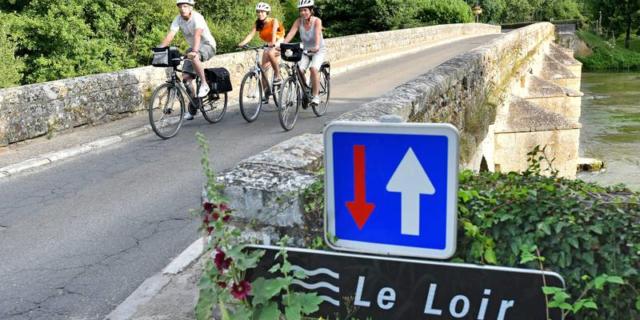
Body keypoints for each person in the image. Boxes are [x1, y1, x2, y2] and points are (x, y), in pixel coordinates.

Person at [160, 0, 217, 119]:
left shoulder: (197, 18)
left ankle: (205, 84)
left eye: (185, 6)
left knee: (194, 56)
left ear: (191, 8)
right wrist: (159, 49)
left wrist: (194, 52)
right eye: (180, 6)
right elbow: (170, 35)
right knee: (186, 79)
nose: (182, 9)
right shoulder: (178, 19)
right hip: (192, 48)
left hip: (207, 45)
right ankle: (193, 108)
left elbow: (197, 35)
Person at [237, 2, 285, 104]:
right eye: (258, 12)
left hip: (278, 41)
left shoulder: (273, 21)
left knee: (271, 53)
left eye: (262, 12)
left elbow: (273, 33)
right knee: (263, 69)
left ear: (267, 12)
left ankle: (277, 75)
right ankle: (266, 93)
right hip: (269, 43)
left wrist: (272, 43)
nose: (260, 14)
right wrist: (241, 43)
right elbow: (251, 35)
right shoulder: (258, 23)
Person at [282, 0, 326, 106]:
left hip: (318, 50)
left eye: (305, 10)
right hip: (306, 50)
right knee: (299, 69)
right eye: (301, 11)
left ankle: (315, 96)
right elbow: (291, 34)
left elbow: (316, 37)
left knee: (313, 69)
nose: (303, 13)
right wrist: (282, 44)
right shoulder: (298, 21)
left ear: (311, 10)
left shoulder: (317, 21)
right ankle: (306, 89)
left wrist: (315, 47)